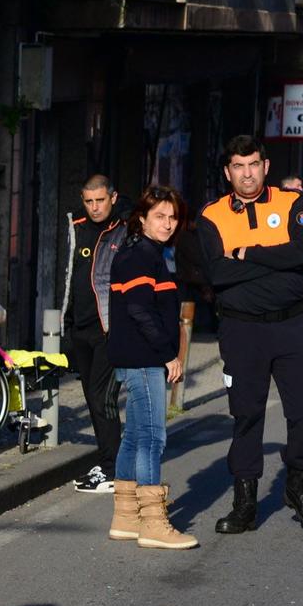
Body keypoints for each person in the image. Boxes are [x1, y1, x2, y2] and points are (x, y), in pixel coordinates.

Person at [196, 135, 303, 533]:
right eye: (238, 166)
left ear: (265, 166)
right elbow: (217, 274)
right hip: (242, 329)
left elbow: (302, 254)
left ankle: (298, 487)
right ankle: (245, 503)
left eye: (253, 164)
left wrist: (246, 253)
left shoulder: (292, 203)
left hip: (292, 326)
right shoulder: (212, 215)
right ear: (227, 172)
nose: (247, 173)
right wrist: (276, 261)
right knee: (247, 415)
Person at [105, 186, 196, 550]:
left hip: (137, 355)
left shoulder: (145, 252)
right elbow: (140, 310)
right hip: (144, 357)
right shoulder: (141, 255)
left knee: (133, 437)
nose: (168, 223)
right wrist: (167, 354)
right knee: (153, 438)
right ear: (141, 218)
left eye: (172, 217)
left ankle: (126, 516)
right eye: (159, 216)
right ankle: (153, 522)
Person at [62, 175, 130, 494]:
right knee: (91, 397)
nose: (94, 207)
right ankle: (106, 460)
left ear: (113, 197)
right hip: (80, 328)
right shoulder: (76, 226)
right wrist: (66, 323)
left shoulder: (125, 229)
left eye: (100, 200)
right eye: (88, 201)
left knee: (104, 398)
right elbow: (68, 277)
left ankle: (112, 467)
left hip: (110, 328)